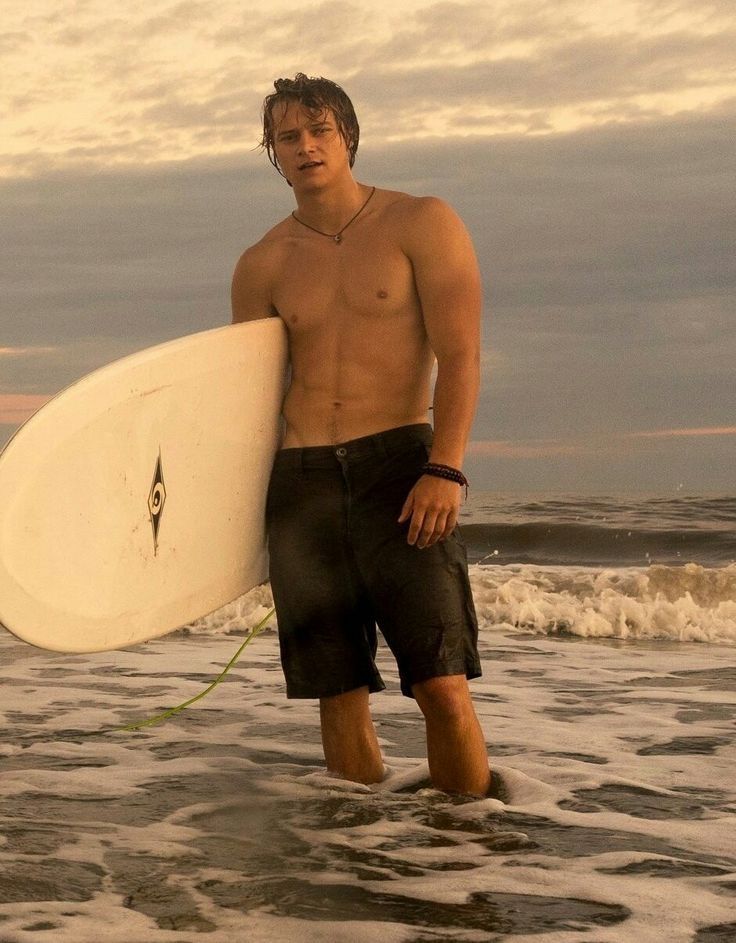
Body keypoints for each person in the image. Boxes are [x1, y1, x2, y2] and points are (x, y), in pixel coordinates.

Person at [231, 74, 490, 796]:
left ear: (347, 135)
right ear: (273, 154)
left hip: (400, 470)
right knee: (337, 690)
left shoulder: (421, 222)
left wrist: (447, 467)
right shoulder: (262, 264)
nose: (306, 146)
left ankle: (464, 853)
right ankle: (370, 867)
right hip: (302, 482)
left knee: (440, 683)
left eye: (319, 130)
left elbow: (463, 354)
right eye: (289, 137)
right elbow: (248, 401)